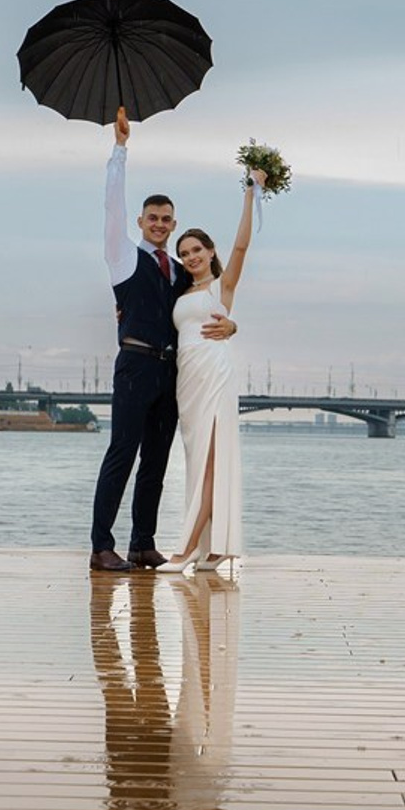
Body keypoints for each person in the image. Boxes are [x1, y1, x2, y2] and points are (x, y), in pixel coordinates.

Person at [89, 108, 236, 572]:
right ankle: (100, 547)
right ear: (140, 222)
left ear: (174, 225)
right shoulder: (123, 257)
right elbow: (111, 206)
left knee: (155, 461)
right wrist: (120, 150)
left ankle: (142, 543)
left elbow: (202, 308)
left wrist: (232, 325)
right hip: (134, 367)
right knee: (122, 454)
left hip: (170, 371)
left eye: (166, 219)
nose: (159, 224)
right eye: (152, 217)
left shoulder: (177, 271)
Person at [157, 166, 266, 573]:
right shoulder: (179, 291)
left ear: (209, 251)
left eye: (196, 251)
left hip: (216, 376)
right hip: (188, 381)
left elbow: (240, 249)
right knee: (199, 460)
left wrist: (251, 194)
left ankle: (185, 550)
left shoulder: (222, 286)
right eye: (184, 254)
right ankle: (213, 548)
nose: (190, 258)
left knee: (208, 461)